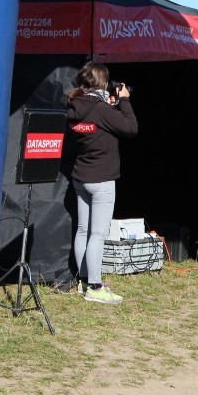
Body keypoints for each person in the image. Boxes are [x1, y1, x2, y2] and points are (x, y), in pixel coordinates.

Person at [65, 61, 138, 304]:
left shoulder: (75, 105)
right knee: (97, 234)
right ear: (103, 83)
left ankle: (84, 281)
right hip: (102, 179)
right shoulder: (100, 110)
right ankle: (96, 287)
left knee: (83, 230)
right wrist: (124, 101)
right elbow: (130, 128)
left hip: (80, 177)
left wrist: (110, 106)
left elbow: (97, 124)